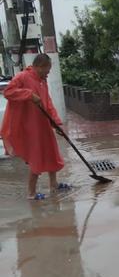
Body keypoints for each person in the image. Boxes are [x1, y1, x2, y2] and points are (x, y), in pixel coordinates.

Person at [0, 54, 69, 200]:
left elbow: (48, 104)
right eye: (47, 70)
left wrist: (56, 123)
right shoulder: (22, 77)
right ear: (39, 66)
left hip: (43, 124)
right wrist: (29, 94)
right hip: (30, 126)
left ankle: (54, 185)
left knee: (52, 153)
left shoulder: (42, 81)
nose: (48, 73)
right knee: (36, 157)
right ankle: (31, 193)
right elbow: (8, 92)